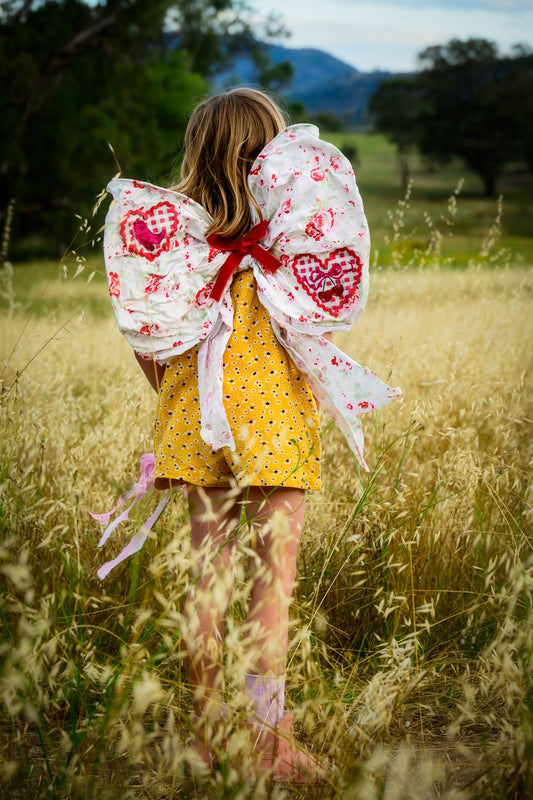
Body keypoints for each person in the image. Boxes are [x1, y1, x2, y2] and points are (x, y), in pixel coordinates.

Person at [101, 87, 401, 782]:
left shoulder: (173, 251)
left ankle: (206, 742)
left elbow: (149, 341)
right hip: (276, 430)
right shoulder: (293, 249)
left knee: (206, 582)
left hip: (197, 428)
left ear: (195, 154)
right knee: (273, 588)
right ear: (278, 155)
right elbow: (313, 334)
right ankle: (270, 743)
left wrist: (187, 411)